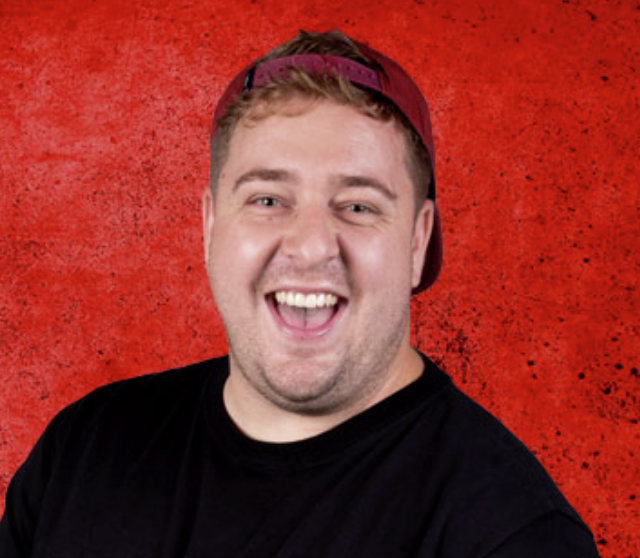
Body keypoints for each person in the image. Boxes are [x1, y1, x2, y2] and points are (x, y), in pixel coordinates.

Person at [0, 30, 600, 558]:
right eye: (267, 199)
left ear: (418, 242)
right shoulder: (82, 453)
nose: (311, 247)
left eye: (358, 206)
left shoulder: (509, 534)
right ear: (210, 225)